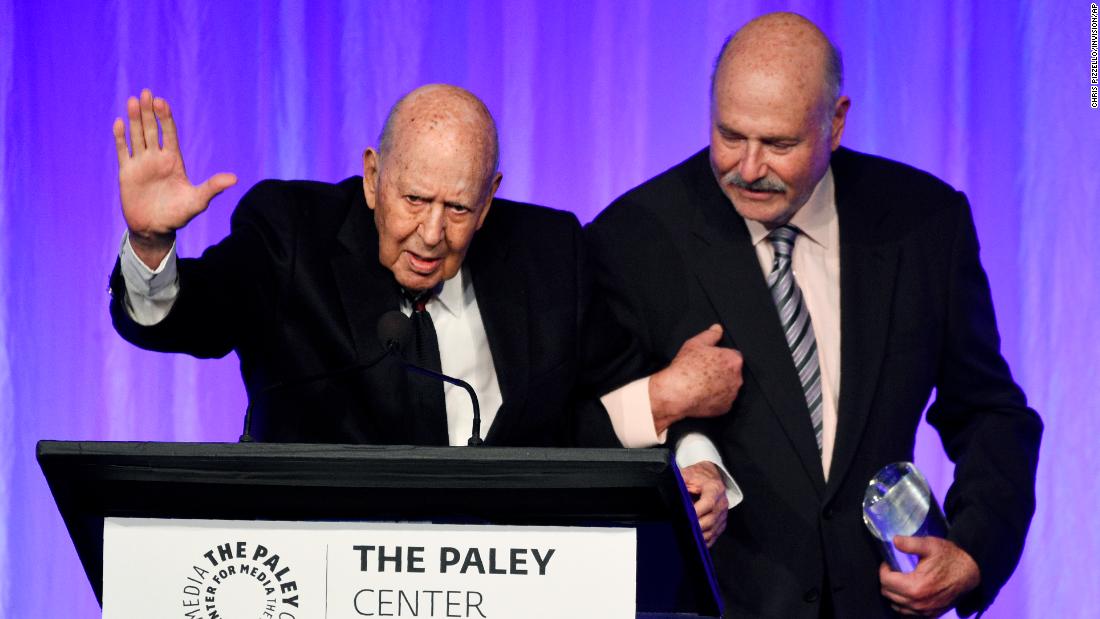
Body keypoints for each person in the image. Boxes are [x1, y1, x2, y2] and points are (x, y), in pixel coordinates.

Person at [109, 84, 739, 544]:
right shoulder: (292, 234)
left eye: (459, 208)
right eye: (413, 199)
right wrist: (152, 245)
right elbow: (196, 314)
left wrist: (694, 459)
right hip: (325, 567)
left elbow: (630, 388)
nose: (432, 233)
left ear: (490, 199)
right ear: (372, 176)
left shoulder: (550, 254)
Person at [585, 12, 1042, 619]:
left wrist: (971, 552)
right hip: (716, 605)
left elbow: (989, 412)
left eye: (779, 144)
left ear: (836, 121)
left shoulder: (924, 223)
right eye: (729, 135)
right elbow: (585, 431)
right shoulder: (634, 238)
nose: (747, 169)